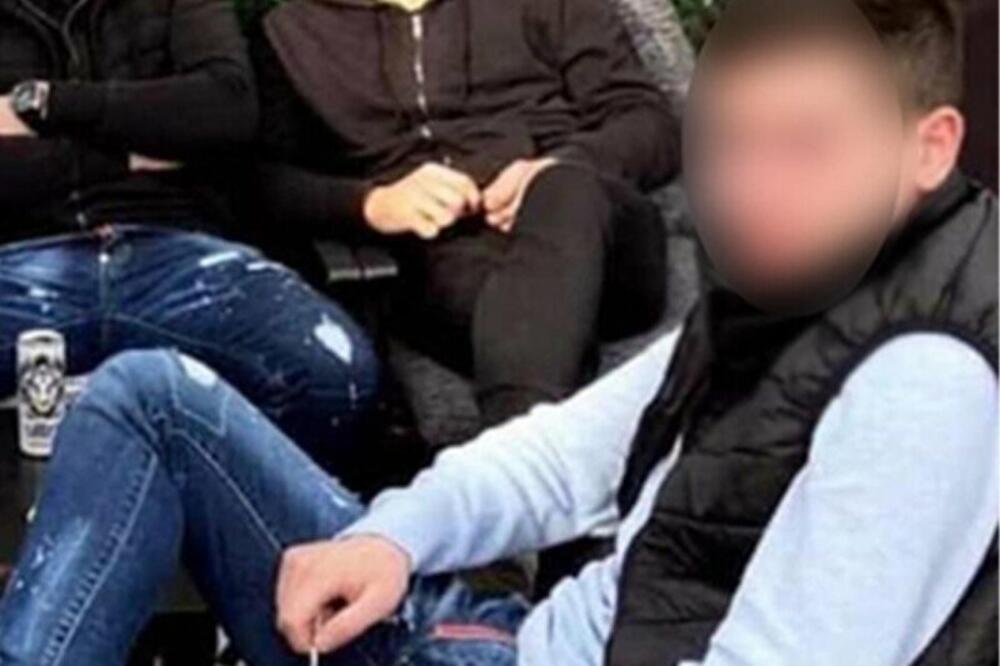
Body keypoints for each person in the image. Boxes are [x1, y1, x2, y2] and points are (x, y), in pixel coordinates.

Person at [1, 0, 996, 664]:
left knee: (565, 191)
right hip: (500, 578)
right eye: (737, 145)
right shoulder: (790, 296)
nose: (754, 190)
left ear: (928, 146)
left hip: (586, 236)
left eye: (807, 147)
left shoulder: (923, 382)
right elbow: (563, 454)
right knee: (149, 394)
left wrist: (556, 164)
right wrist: (393, 535)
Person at [249, 0, 677, 427]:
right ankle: (525, 435)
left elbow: (651, 122)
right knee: (526, 324)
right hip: (445, 263)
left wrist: (561, 163)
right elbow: (260, 184)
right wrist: (371, 204)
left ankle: (513, 451)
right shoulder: (290, 34)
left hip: (598, 234)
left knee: (563, 189)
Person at [0, 0, 377, 460]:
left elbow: (226, 108)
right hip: (20, 258)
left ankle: (214, 497)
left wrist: (46, 103)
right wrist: (124, 155)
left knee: (333, 376)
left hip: (181, 252)